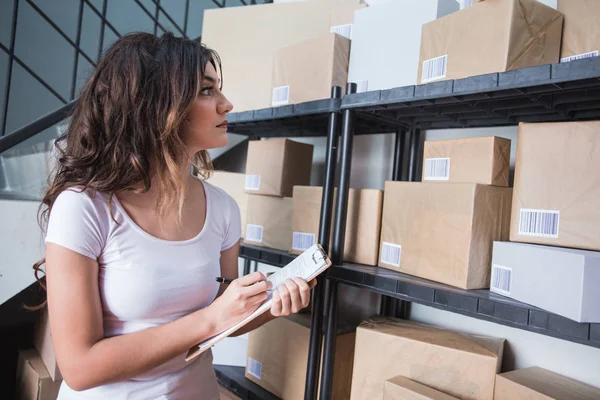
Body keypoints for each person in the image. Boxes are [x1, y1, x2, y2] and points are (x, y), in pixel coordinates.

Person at [33, 32, 315, 399]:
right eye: (207, 91)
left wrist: (273, 302)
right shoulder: (84, 207)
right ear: (157, 104)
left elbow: (224, 318)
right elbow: (79, 368)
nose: (226, 104)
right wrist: (210, 318)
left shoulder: (223, 209)